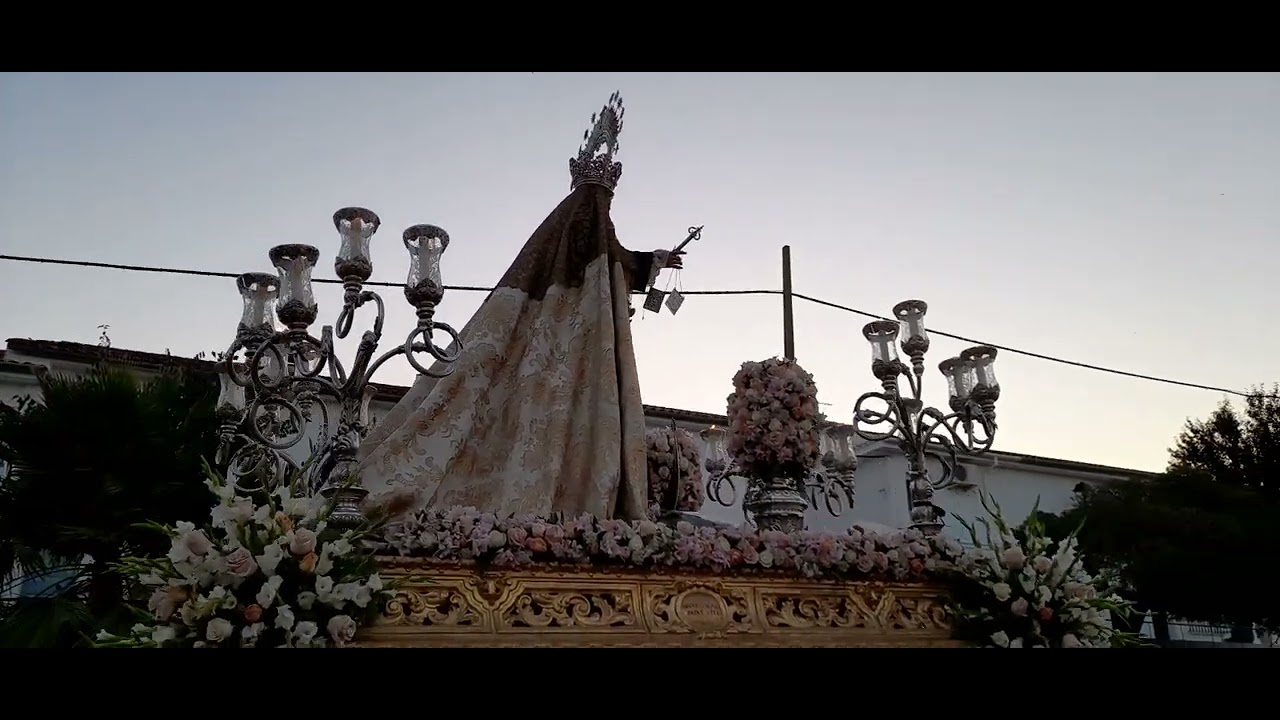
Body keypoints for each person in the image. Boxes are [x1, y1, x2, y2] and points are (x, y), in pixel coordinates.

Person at [357, 93, 684, 521]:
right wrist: (643, 263)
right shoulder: (575, 228)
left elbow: (613, 256)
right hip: (561, 334)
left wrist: (650, 261)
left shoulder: (582, 234)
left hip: (577, 335)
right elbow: (608, 256)